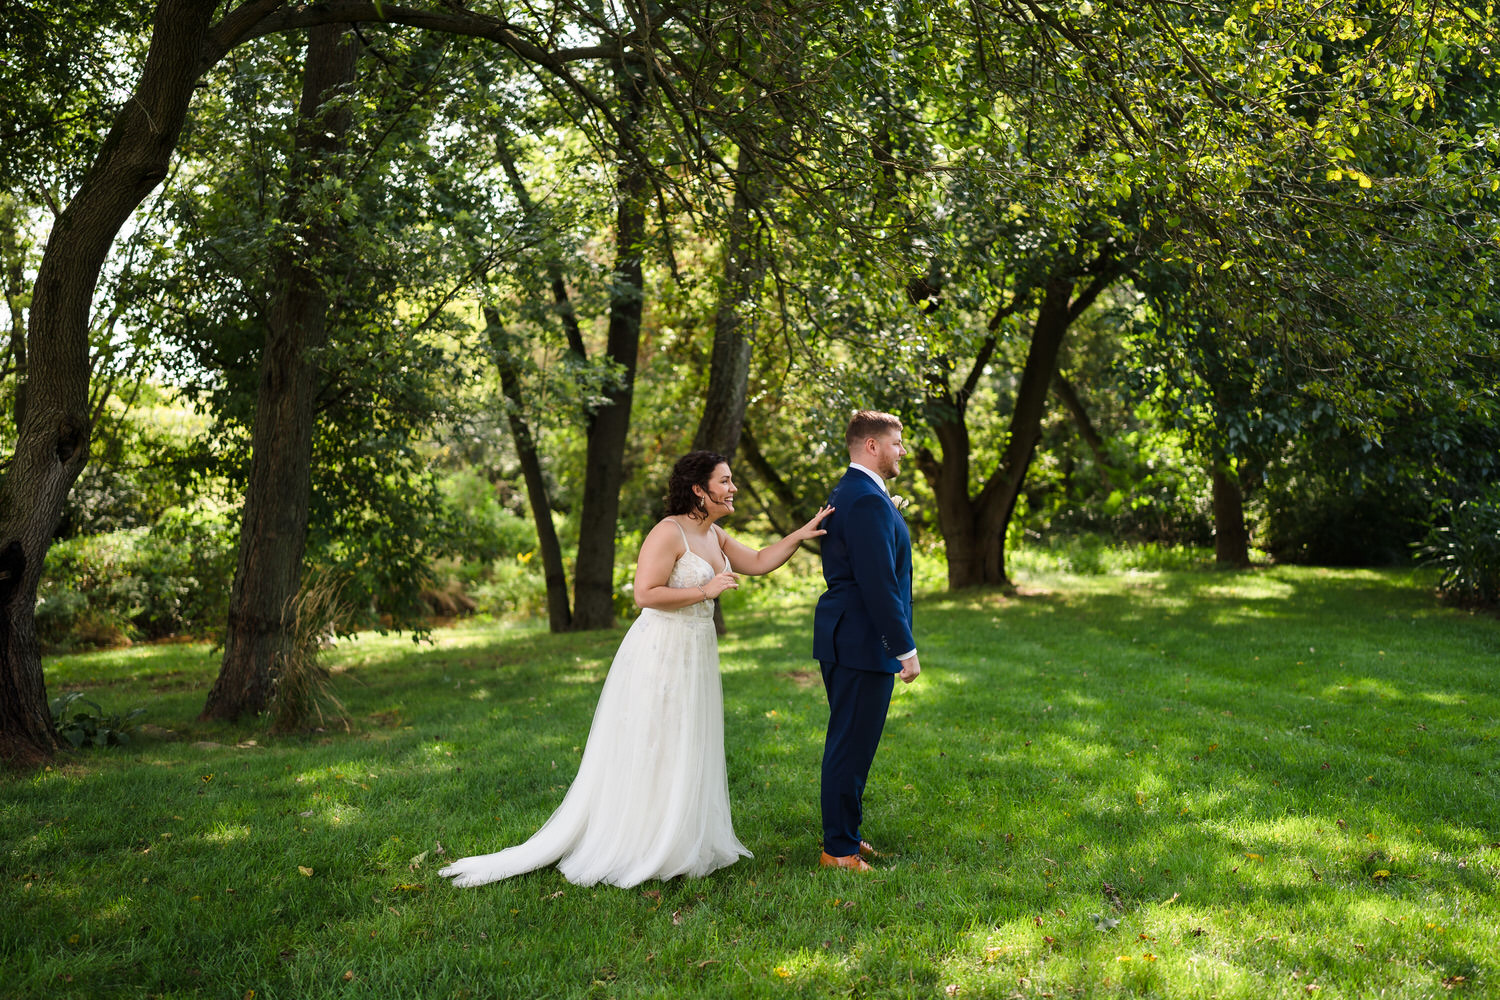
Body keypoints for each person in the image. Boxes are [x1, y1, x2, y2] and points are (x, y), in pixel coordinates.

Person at [439, 451, 833, 889]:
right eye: (724, 481)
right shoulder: (668, 533)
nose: (733, 488)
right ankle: (643, 842)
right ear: (700, 489)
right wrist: (705, 589)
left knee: (687, 740)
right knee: (657, 740)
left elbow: (758, 560)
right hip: (662, 650)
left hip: (697, 653)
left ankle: (680, 838)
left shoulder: (715, 534)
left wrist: (799, 535)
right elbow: (645, 594)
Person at [812, 410, 921, 872]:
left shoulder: (854, 491)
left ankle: (848, 837)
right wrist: (905, 649)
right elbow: (878, 583)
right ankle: (838, 851)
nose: (902, 451)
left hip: (848, 635)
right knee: (849, 746)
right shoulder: (867, 499)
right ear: (872, 446)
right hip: (860, 639)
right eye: (896, 443)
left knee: (854, 743)